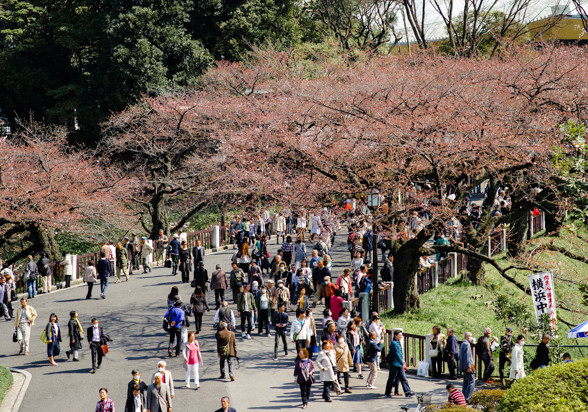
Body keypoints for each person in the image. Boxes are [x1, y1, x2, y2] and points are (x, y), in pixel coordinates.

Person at [384, 330, 414, 397]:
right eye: (399, 335)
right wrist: (402, 363)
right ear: (395, 336)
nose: (401, 336)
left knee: (403, 378)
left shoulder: (398, 342)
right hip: (394, 363)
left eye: (401, 335)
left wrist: (402, 361)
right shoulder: (393, 343)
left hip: (399, 363)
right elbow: (396, 354)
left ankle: (408, 392)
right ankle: (387, 393)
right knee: (391, 379)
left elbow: (400, 353)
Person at [460, 332, 476, 403]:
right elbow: (468, 357)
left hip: (464, 366)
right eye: (470, 336)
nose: (471, 338)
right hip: (468, 366)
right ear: (467, 337)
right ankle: (467, 397)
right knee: (471, 381)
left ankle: (463, 397)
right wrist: (469, 367)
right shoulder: (467, 344)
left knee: (466, 382)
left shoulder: (463, 343)